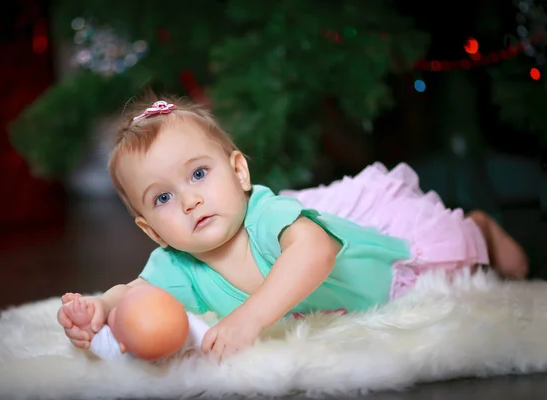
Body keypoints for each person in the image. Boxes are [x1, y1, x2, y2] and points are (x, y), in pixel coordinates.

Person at [57, 96, 528, 362]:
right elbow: (136, 292)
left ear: (239, 173)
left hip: (390, 273)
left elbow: (314, 252)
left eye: (199, 173)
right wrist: (99, 306)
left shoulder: (264, 215)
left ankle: (480, 228)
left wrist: (251, 317)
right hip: (347, 310)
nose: (189, 199)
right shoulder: (177, 263)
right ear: (151, 230)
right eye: (163, 198)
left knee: (505, 266)